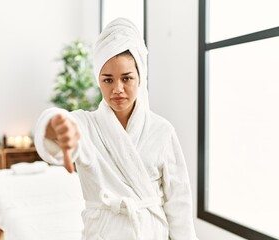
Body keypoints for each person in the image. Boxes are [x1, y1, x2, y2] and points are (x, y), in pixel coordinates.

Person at [35, 17, 198, 240]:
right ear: (98, 80)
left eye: (127, 78)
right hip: (103, 233)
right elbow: (59, 126)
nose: (117, 89)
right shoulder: (86, 124)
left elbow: (179, 202)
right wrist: (56, 126)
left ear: (140, 77)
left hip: (150, 232)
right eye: (108, 80)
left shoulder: (162, 130)